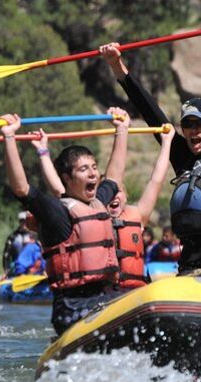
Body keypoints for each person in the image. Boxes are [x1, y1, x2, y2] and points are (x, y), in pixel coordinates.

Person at [99, 17, 201, 277]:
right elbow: (151, 111)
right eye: (187, 125)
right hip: (188, 266)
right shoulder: (182, 157)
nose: (192, 130)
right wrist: (117, 66)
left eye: (198, 124)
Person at [0, 111, 168, 335]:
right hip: (73, 307)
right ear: (67, 179)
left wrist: (122, 129)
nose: (93, 174)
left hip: (106, 299)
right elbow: (22, 188)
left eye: (94, 168)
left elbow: (115, 177)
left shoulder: (99, 203)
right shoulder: (56, 212)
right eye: (83, 169)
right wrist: (10, 137)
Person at [34, 107, 175, 291]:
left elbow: (156, 180)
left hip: (132, 294)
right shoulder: (91, 209)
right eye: (111, 192)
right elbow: (59, 189)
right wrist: (43, 153)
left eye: (119, 193)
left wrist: (166, 143)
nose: (114, 197)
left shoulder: (138, 215)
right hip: (104, 293)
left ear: (126, 196)